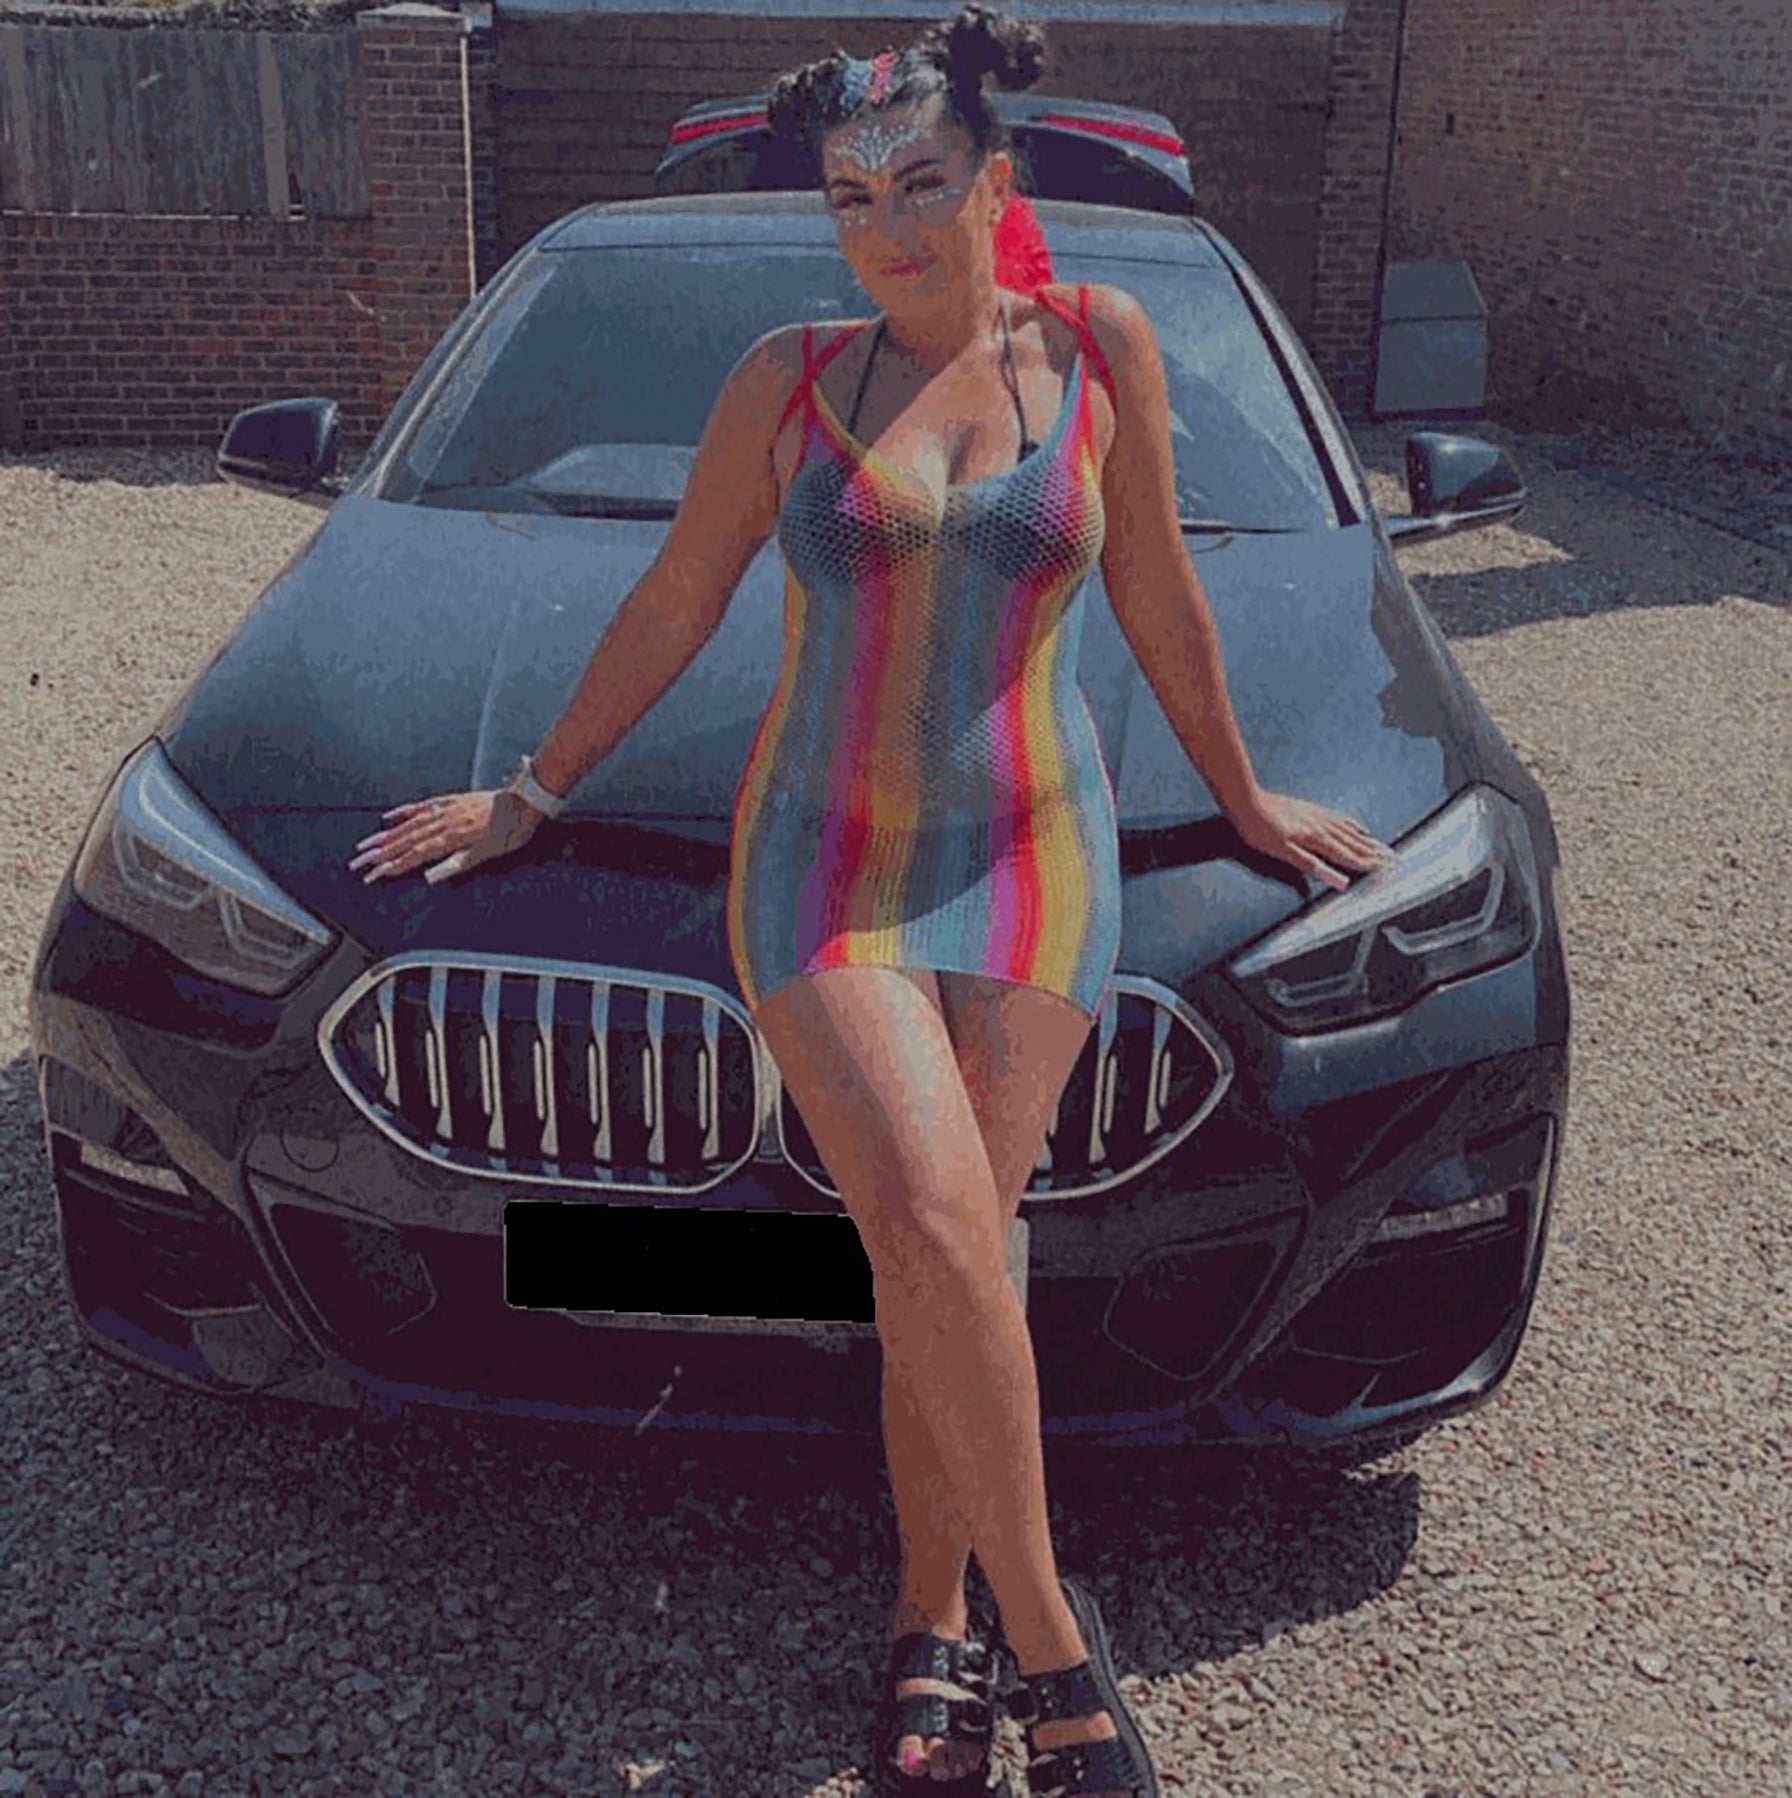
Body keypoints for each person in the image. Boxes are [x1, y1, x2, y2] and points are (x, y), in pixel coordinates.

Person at [347, 7, 1393, 1792]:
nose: (890, 225)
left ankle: (933, 1622)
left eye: (920, 182)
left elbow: (1159, 602)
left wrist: (1240, 798)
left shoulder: (1102, 347)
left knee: (957, 1243)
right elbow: (675, 605)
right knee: (924, 1205)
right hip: (823, 860)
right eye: (851, 197)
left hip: (1037, 858)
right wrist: (531, 791)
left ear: (995, 178)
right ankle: (1059, 1652)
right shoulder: (791, 377)